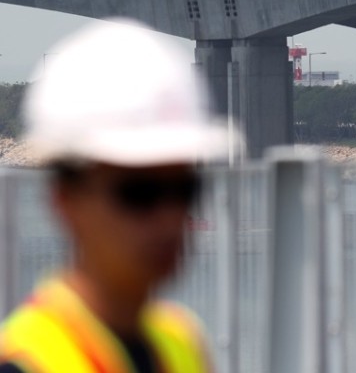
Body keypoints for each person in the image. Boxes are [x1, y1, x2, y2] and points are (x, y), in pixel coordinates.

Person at [0, 19, 230, 373]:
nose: (170, 218)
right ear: (66, 201)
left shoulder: (181, 341)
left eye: (185, 189)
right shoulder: (25, 361)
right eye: (139, 194)